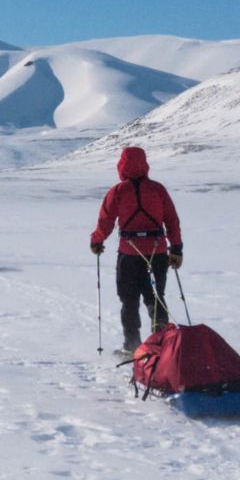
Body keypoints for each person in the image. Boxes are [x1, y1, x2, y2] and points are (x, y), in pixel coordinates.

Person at [90, 147, 182, 353]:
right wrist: (177, 249)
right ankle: (162, 342)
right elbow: (172, 220)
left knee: (129, 300)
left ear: (121, 166)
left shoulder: (118, 191)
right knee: (155, 296)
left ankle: (132, 347)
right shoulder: (158, 189)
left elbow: (105, 221)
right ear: (145, 164)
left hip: (129, 255)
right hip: (157, 253)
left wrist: (96, 242)